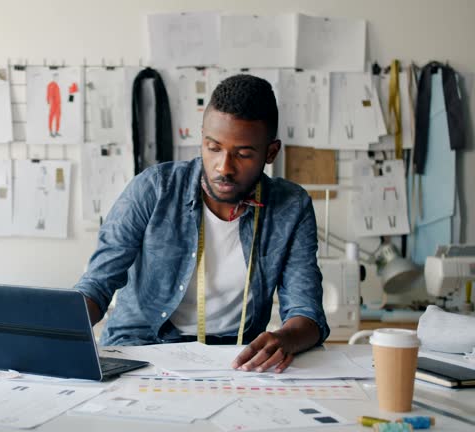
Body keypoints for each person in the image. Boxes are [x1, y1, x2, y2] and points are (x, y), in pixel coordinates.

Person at [75, 74, 329, 373]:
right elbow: (97, 284)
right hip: (140, 348)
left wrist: (285, 339)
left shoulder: (291, 207)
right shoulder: (153, 189)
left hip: (234, 358)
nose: (224, 167)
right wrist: (58, 328)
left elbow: (306, 312)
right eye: (213, 147)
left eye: (244, 154)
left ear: (271, 152)